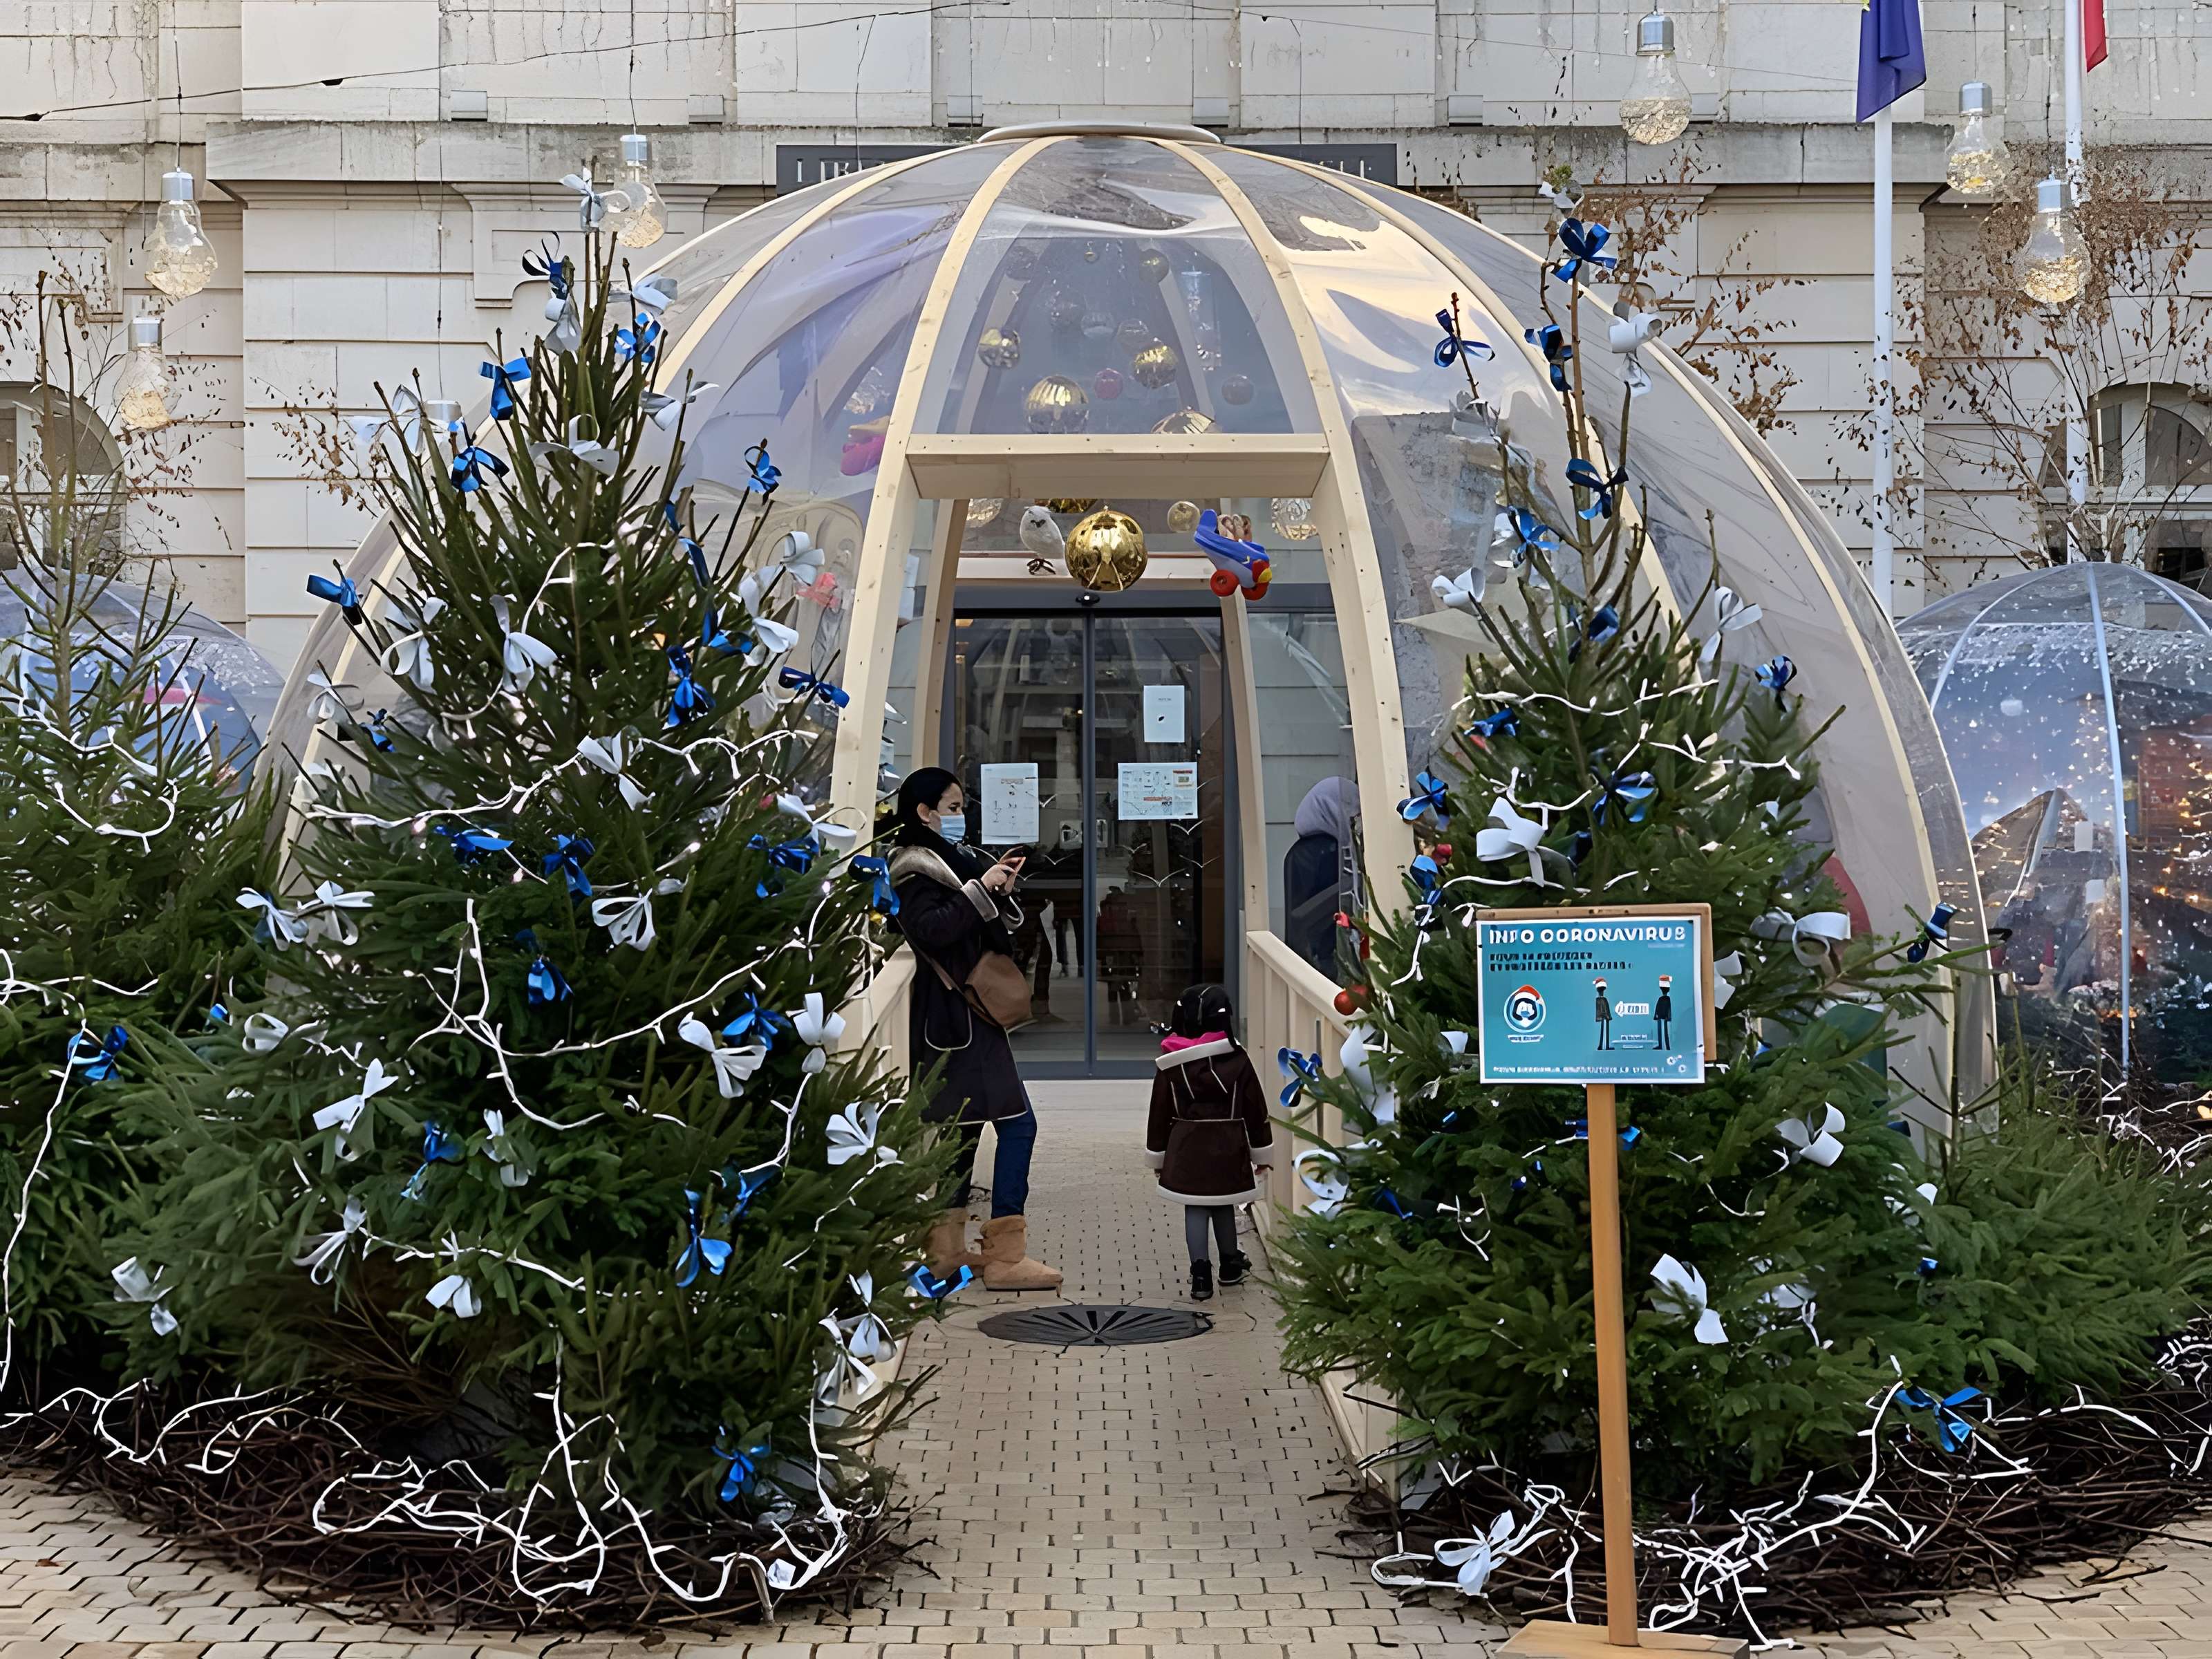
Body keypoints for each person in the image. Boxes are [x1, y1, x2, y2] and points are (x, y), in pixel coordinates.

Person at [888, 767, 1061, 1292]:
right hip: (958, 1021)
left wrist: (994, 887)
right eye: (953, 806)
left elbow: (973, 920)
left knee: (962, 1132)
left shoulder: (949, 861)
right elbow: (932, 929)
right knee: (1017, 1124)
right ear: (924, 811)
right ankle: (1007, 1256)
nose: (961, 816)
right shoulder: (914, 867)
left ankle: (946, 1252)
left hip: (961, 1020)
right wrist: (979, 890)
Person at [1143, 983, 1275, 1303]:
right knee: (1224, 1201)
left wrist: (1158, 1157)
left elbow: (1159, 1112)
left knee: (1197, 1206)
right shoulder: (1238, 1060)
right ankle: (1230, 1265)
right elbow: (1255, 1107)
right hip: (1228, 1143)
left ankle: (1200, 1275)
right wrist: (1262, 1150)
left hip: (1186, 1144)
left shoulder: (1170, 1063)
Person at [1284, 778, 1357, 977]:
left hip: (1317, 955)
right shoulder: (1325, 852)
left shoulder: (1303, 851)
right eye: (1349, 807)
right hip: (1330, 954)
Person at [1594, 976, 1613, 1051]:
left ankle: (1604, 1046)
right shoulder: (1602, 1000)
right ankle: (1604, 1046)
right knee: (1604, 1032)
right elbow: (1604, 1010)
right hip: (1604, 1018)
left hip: (1604, 1018)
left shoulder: (1600, 1000)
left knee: (1604, 1032)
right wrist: (1608, 1016)